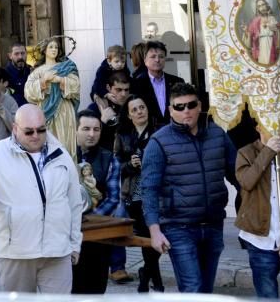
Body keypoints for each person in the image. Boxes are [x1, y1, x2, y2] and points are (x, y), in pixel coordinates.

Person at [0, 104, 83, 293]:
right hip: (15, 253)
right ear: (15, 129)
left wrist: (75, 244)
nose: (36, 135)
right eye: (29, 131)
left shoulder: (61, 155)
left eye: (41, 130)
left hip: (57, 251)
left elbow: (74, 203)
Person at [140, 83, 238, 293]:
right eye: (179, 107)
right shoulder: (159, 142)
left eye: (191, 105)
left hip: (213, 224)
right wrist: (154, 230)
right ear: (170, 110)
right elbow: (149, 189)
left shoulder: (218, 134)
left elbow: (239, 175)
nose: (186, 111)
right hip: (179, 227)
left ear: (200, 105)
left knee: (205, 291)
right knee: (192, 288)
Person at [234, 110, 280, 299]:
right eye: (271, 124)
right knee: (267, 296)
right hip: (259, 241)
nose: (279, 129)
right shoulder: (245, 154)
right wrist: (268, 152)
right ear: (258, 127)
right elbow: (247, 182)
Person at [114, 94, 163, 292]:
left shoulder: (160, 131)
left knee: (157, 238)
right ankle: (156, 283)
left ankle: (146, 274)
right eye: (134, 110)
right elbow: (116, 166)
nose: (139, 111)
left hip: (159, 192)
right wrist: (130, 165)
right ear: (129, 115)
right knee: (147, 240)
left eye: (141, 107)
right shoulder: (123, 135)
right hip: (135, 195)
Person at [71, 110, 121, 293]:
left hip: (98, 236)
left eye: (96, 129)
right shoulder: (63, 154)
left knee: (95, 290)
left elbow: (113, 199)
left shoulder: (110, 159)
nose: (91, 134)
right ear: (75, 129)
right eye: (86, 129)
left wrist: (88, 220)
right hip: (65, 236)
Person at [24, 36, 80, 160]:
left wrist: (60, 80)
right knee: (47, 140)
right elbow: (28, 92)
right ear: (44, 50)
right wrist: (43, 81)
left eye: (56, 47)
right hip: (45, 110)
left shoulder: (66, 67)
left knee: (65, 141)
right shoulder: (38, 71)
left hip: (64, 109)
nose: (54, 49)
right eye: (51, 47)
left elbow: (76, 85)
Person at [132, 40, 184, 125]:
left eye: (161, 56)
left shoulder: (177, 82)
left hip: (174, 130)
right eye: (153, 57)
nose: (157, 60)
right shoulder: (136, 84)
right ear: (145, 60)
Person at [245, 0, 280, 65]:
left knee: (272, 63)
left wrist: (275, 29)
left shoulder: (272, 18)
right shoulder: (255, 21)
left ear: (266, 5)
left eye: (263, 5)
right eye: (259, 6)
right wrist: (247, 33)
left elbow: (278, 32)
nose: (262, 8)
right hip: (261, 46)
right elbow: (250, 38)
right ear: (257, 9)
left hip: (271, 44)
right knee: (262, 63)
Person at [4, 42, 32, 107]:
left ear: (26, 54)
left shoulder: (32, 71)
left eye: (22, 53)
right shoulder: (4, 74)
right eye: (16, 54)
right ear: (10, 56)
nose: (20, 57)